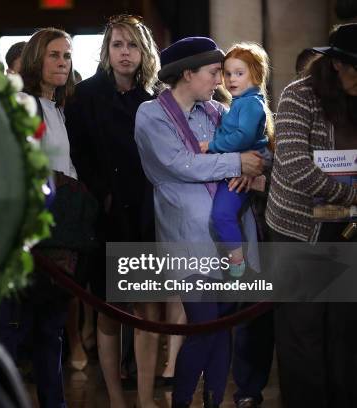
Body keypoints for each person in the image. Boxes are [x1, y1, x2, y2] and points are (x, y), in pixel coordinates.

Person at [134, 36, 264, 408]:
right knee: (203, 326)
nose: (220, 81)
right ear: (187, 74)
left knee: (221, 328)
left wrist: (255, 166)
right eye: (212, 73)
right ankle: (181, 401)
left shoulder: (217, 111)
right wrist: (238, 164)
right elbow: (179, 163)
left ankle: (213, 401)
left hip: (230, 238)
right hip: (188, 238)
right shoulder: (151, 114)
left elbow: (256, 150)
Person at [64, 14, 161, 408]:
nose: (125, 53)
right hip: (105, 217)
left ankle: (144, 397)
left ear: (144, 53)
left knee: (146, 308)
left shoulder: (151, 100)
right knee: (108, 309)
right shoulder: (86, 96)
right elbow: (78, 155)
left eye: (133, 45)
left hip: (142, 213)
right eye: (118, 45)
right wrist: (100, 195)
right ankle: (117, 399)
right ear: (106, 51)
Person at [266, 23, 357, 408]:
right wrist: (352, 194)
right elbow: (293, 165)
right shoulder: (299, 95)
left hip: (346, 226)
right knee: (302, 329)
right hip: (299, 227)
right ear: (337, 66)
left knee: (344, 329)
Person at [0, 27, 76, 408]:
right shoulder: (23, 104)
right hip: (31, 232)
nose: (63, 63)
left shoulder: (57, 106)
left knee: (51, 331)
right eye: (55, 55)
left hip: (60, 229)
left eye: (68, 56)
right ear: (38, 59)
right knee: (16, 330)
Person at [199, 42, 273, 277]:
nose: (231, 79)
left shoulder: (251, 103)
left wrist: (211, 146)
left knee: (222, 214)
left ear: (256, 74)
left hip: (244, 164)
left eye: (239, 73)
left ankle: (237, 267)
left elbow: (243, 138)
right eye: (227, 73)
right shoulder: (241, 102)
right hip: (237, 164)